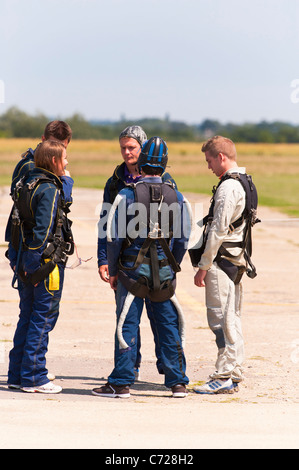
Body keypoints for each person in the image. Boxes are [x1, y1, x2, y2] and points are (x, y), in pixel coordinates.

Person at [92, 137, 190, 398]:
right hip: (164, 273)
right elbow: (183, 239)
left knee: (127, 324)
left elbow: (113, 237)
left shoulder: (126, 195)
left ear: (143, 161)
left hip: (131, 273)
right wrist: (172, 265)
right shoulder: (178, 197)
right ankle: (177, 381)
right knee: (168, 324)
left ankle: (122, 381)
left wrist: (113, 269)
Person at [6, 140, 74, 393]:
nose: (67, 163)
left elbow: (13, 227)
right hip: (43, 267)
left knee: (27, 316)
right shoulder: (49, 189)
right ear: (54, 161)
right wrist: (35, 268)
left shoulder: (25, 182)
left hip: (23, 261)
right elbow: (44, 231)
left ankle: (16, 374)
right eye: (64, 158)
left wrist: (19, 262)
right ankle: (34, 376)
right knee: (42, 318)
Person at [193, 135, 258, 394]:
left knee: (220, 320)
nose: (208, 166)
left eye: (209, 160)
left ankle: (224, 375)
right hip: (237, 261)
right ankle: (235, 370)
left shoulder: (228, 187)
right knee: (233, 318)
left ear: (221, 157)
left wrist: (203, 265)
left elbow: (218, 230)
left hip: (222, 262)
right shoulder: (247, 182)